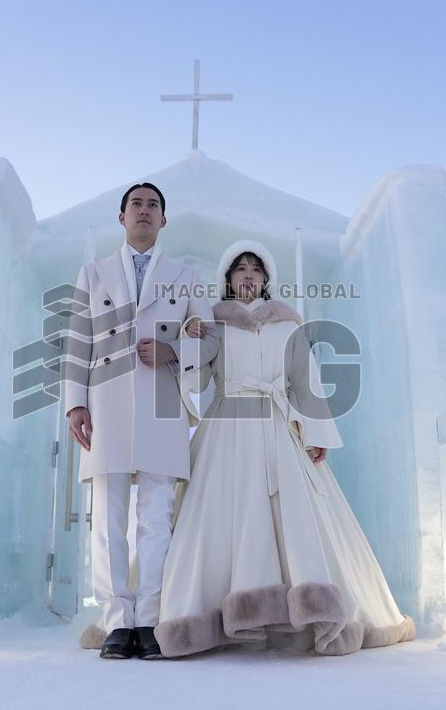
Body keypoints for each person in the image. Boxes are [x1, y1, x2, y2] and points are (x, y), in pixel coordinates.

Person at [154, 239, 415, 657]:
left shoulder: (288, 326)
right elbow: (197, 382)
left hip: (278, 425)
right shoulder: (213, 324)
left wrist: (315, 433)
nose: (248, 276)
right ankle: (202, 620)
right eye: (240, 269)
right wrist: (190, 339)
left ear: (266, 280)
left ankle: (306, 611)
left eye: (256, 270)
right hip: (227, 424)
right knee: (220, 517)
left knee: (297, 517)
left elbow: (304, 380)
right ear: (227, 279)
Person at [65, 183, 218, 660]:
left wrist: (176, 351)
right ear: (122, 216)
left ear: (164, 220)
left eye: (154, 205)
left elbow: (211, 341)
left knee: (157, 518)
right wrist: (75, 404)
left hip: (162, 403)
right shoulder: (94, 273)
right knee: (107, 521)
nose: (145, 211)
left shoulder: (186, 276)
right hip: (106, 403)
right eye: (137, 204)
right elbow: (76, 343)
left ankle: (150, 620)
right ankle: (116, 622)